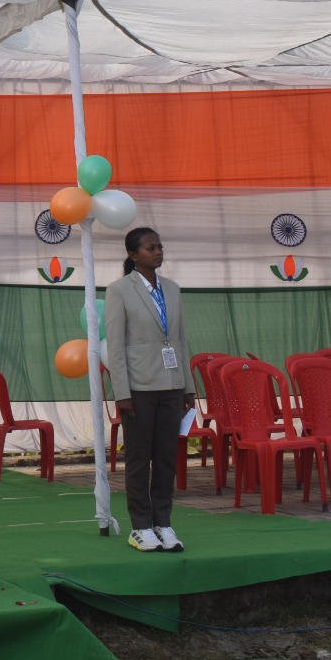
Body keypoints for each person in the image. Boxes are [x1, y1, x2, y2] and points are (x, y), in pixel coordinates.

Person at [105, 227, 196, 554]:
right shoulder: (119, 290)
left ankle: (163, 522)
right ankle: (141, 526)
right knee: (139, 459)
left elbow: (180, 339)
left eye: (160, 247)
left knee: (166, 458)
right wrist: (122, 393)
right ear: (133, 255)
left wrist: (188, 386)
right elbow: (115, 346)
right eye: (150, 248)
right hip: (139, 389)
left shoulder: (171, 288)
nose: (158, 252)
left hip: (171, 385)